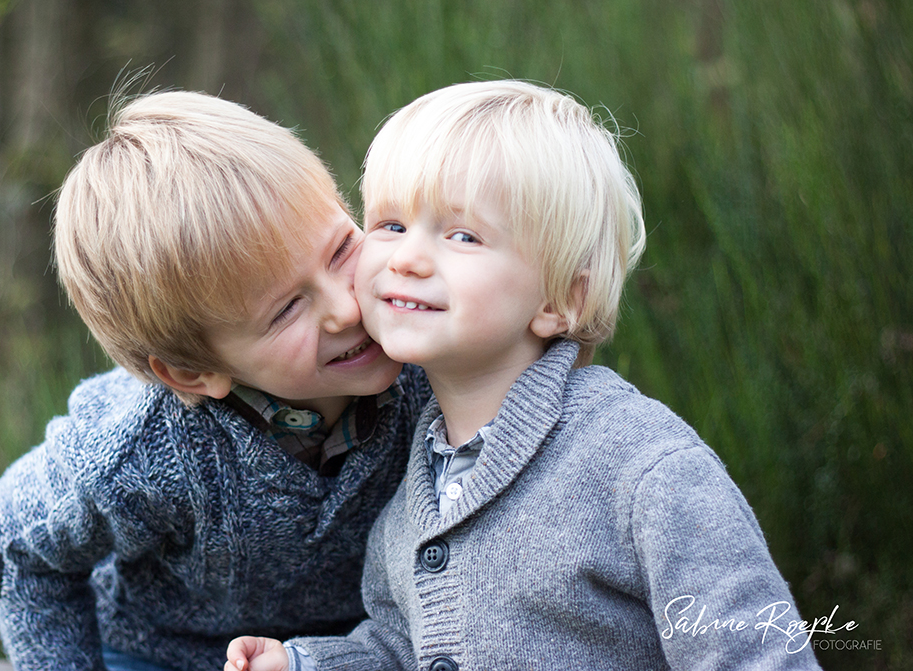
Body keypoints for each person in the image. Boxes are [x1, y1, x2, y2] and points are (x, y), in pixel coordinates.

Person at [226, 81, 822, 670]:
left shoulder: (641, 468)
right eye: (390, 225)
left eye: (463, 235)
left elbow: (754, 652)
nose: (407, 257)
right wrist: (305, 663)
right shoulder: (414, 491)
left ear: (560, 298)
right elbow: (402, 648)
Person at [0, 90, 432, 671]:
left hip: (344, 653)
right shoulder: (139, 453)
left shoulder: (428, 361)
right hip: (159, 652)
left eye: (342, 248)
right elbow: (14, 539)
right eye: (287, 309)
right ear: (193, 371)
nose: (345, 308)